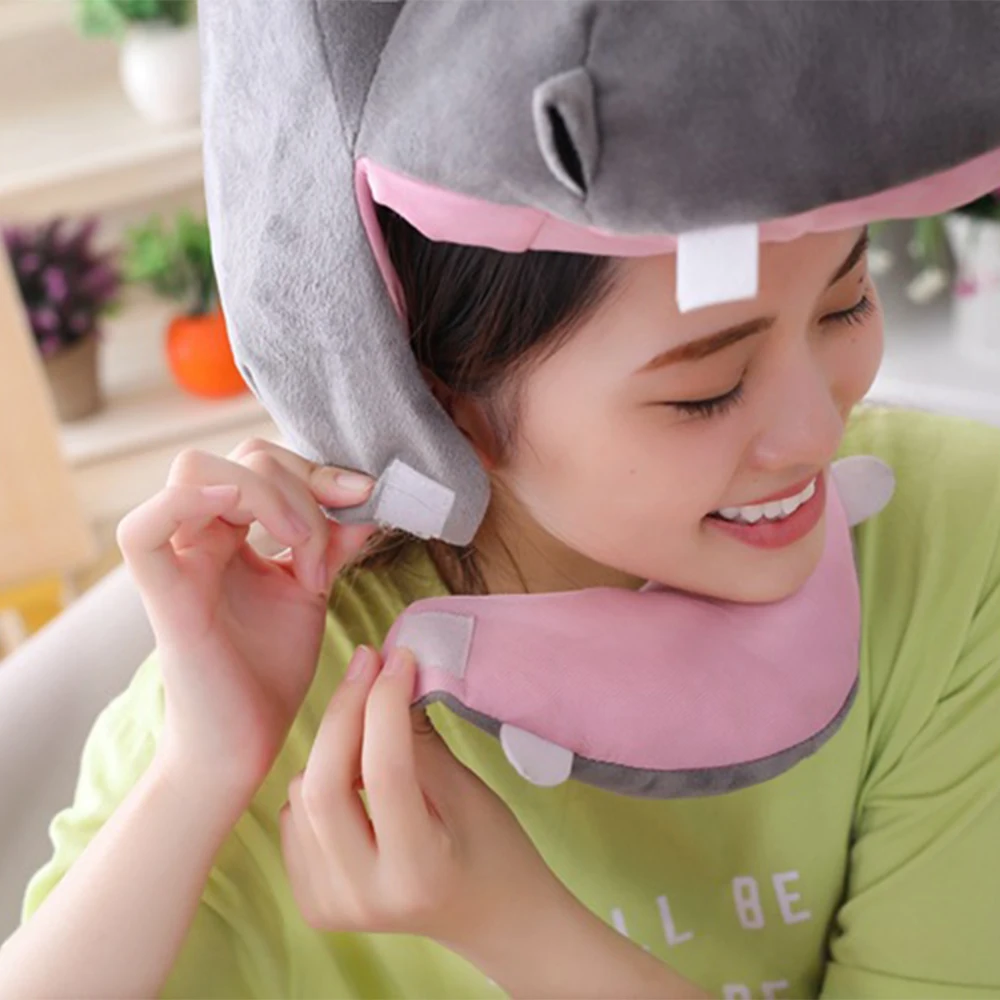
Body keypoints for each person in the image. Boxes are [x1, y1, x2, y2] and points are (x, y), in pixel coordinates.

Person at [2, 208, 1000, 1000]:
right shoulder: (280, 653)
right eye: (707, 388)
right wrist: (200, 771)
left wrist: (521, 931)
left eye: (844, 304)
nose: (816, 429)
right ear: (447, 399)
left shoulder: (957, 539)